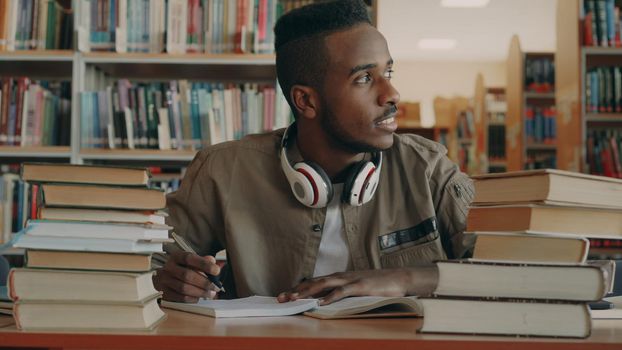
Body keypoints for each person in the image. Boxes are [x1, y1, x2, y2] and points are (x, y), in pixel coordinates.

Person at [154, 0, 474, 305]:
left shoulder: (428, 168)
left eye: (387, 73)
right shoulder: (223, 170)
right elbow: (146, 259)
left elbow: (508, 267)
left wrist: (403, 279)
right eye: (364, 78)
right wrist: (166, 278)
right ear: (306, 101)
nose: (392, 94)